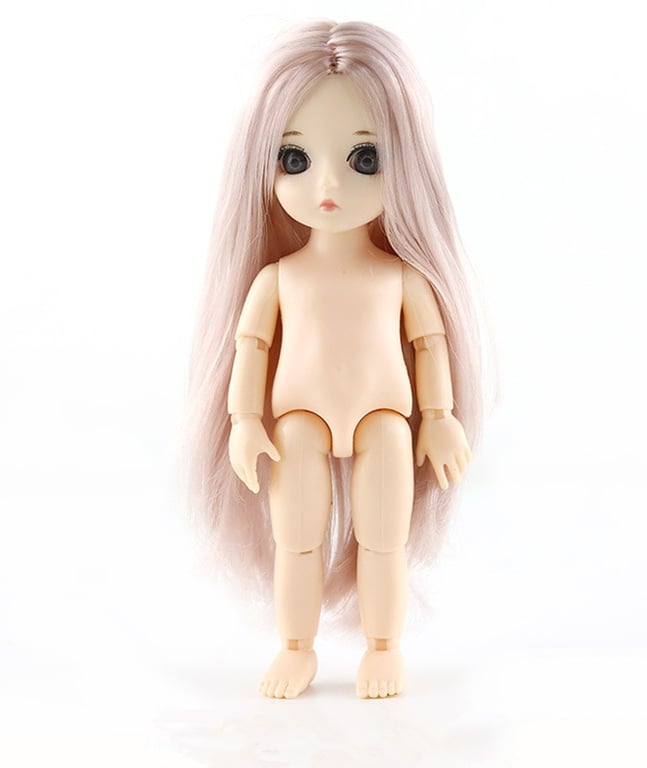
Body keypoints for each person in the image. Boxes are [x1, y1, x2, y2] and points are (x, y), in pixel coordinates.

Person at [186, 20, 486, 699]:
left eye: (364, 158)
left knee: (384, 539)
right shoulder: (276, 279)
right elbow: (250, 348)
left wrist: (440, 416)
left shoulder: (402, 278)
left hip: (384, 416)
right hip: (298, 418)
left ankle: (384, 647)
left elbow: (430, 344)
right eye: (294, 159)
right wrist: (243, 421)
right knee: (296, 539)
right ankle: (296, 647)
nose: (327, 184)